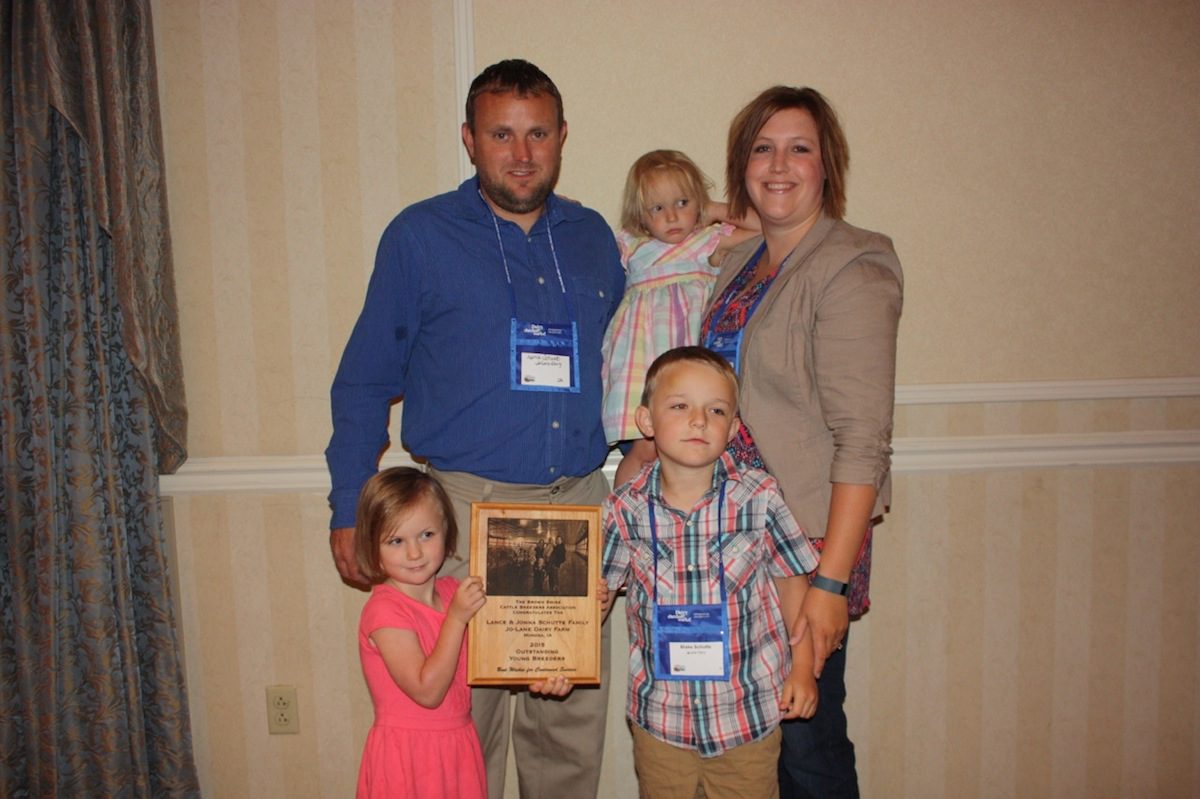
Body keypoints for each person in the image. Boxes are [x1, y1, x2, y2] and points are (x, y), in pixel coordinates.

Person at [325, 59, 625, 799]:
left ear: (562, 137)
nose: (521, 153)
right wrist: (347, 505)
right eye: (500, 134)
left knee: (566, 738)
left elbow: (650, 328)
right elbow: (364, 379)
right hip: (463, 516)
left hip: (576, 511)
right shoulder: (420, 237)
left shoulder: (593, 238)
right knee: (463, 737)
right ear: (469, 139)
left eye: (537, 134)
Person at [701, 86, 904, 798]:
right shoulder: (743, 261)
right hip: (733, 540)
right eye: (762, 148)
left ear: (828, 165)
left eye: (799, 148)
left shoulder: (853, 266)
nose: (779, 165)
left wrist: (830, 585)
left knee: (806, 744)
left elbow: (863, 440)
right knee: (750, 741)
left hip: (807, 548)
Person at [601, 346, 820, 799]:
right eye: (680, 406)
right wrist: (565, 645)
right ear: (646, 421)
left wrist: (803, 669)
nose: (699, 420)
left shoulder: (759, 497)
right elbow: (595, 595)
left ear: (733, 429)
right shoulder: (623, 509)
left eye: (715, 410)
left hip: (746, 717)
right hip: (661, 722)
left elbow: (792, 584)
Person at [352, 468, 575, 798]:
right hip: (409, 757)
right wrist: (456, 619)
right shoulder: (384, 610)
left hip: (459, 748)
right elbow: (427, 691)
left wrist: (539, 674)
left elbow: (499, 655)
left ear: (447, 532)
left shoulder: (453, 591)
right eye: (396, 541)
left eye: (426, 535)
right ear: (373, 547)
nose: (414, 553)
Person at [601, 150, 760, 487]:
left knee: (696, 451)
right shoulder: (630, 245)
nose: (672, 216)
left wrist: (713, 209)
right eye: (658, 208)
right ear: (641, 216)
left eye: (683, 202)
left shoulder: (708, 241)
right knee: (645, 448)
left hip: (691, 360)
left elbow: (767, 226)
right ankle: (623, 514)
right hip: (641, 362)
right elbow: (585, 248)